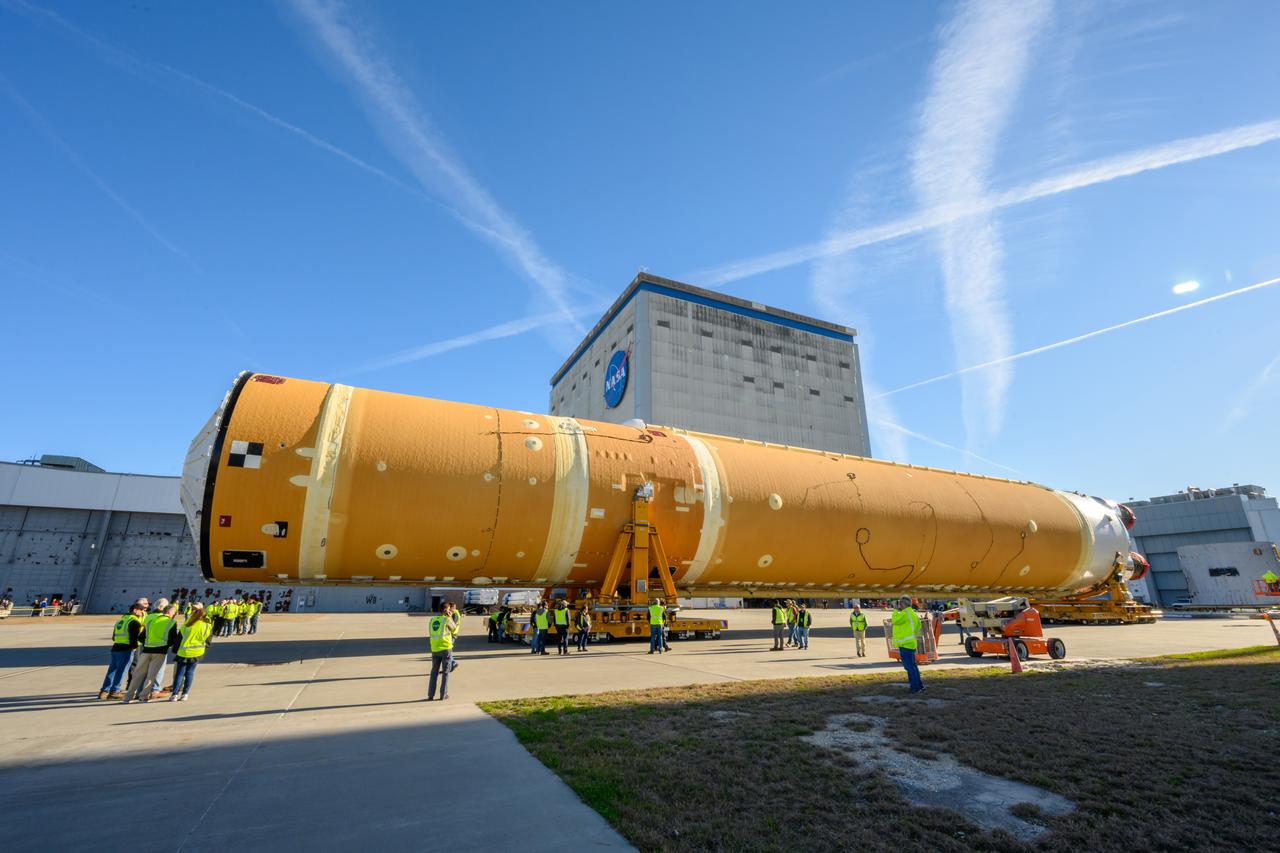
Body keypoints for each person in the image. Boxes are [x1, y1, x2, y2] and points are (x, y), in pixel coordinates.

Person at [124, 604, 178, 703]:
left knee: (138, 674)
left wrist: (148, 643)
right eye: (174, 613)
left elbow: (141, 637)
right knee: (151, 676)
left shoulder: (151, 621)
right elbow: (172, 639)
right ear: (170, 612)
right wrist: (166, 645)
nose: (174, 615)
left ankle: (128, 696)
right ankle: (143, 696)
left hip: (146, 650)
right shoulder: (171, 623)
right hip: (160, 652)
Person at [99, 601, 146, 699]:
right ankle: (115, 691)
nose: (142, 613)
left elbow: (113, 637)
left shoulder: (120, 621)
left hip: (115, 648)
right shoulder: (134, 622)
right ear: (135, 610)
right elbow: (134, 638)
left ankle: (104, 691)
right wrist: (134, 647)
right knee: (122, 671)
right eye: (141, 610)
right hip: (126, 649)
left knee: (112, 670)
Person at [171, 603, 212, 701]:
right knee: (190, 673)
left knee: (179, 674)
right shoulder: (207, 626)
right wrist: (203, 649)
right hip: (197, 652)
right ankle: (185, 694)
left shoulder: (185, 626)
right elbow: (208, 641)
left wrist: (175, 650)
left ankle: (174, 694)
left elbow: (178, 640)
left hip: (183, 652)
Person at [426, 602, 460, 701]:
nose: (450, 611)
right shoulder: (446, 619)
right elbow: (454, 629)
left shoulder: (432, 620)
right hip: (445, 648)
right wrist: (449, 617)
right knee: (445, 672)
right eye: (449, 609)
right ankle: (443, 695)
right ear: (445, 610)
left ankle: (430, 695)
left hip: (435, 649)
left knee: (434, 672)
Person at [891, 596, 925, 694]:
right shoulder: (913, 613)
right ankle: (919, 686)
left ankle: (915, 688)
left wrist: (894, 609)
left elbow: (895, 620)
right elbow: (918, 626)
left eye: (900, 604)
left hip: (905, 644)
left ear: (903, 604)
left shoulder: (905, 613)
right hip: (910, 643)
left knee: (909, 667)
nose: (899, 605)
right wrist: (910, 633)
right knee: (913, 666)